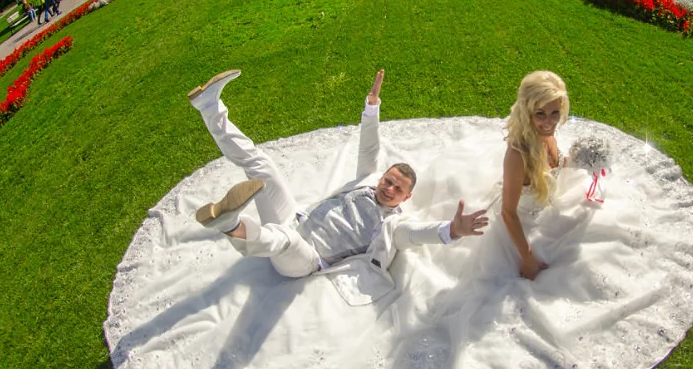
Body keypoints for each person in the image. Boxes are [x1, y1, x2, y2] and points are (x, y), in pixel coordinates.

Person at [189, 68, 488, 303]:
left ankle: (232, 225)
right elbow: (369, 147)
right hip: (294, 219)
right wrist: (372, 106)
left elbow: (415, 234)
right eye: (388, 181)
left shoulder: (393, 226)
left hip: (305, 259)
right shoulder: (368, 181)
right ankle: (210, 107)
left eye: (397, 189)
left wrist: (452, 230)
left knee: (285, 240)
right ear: (381, 177)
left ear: (406, 197)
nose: (389, 189)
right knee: (262, 164)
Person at [500, 71, 569, 280]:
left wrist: (587, 161)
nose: (549, 122)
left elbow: (557, 163)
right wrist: (527, 256)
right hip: (525, 227)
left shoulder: (546, 134)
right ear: (527, 112)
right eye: (540, 114)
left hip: (551, 211)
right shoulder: (517, 156)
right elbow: (508, 213)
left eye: (555, 113)